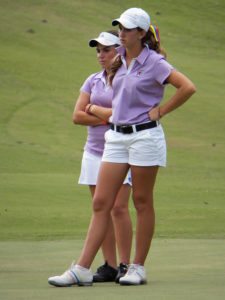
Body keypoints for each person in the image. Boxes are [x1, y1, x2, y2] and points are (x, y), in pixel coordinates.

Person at [48, 7, 196, 287]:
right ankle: (81, 268)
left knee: (141, 201)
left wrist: (161, 110)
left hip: (145, 138)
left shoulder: (154, 62)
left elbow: (187, 87)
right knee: (101, 202)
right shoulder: (118, 62)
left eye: (127, 29)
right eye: (120, 28)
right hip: (115, 138)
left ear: (141, 33)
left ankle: (137, 268)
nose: (122, 32)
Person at [48, 31, 133, 286]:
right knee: (101, 207)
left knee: (119, 207)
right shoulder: (92, 81)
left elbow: (123, 113)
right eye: (98, 50)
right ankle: (108, 265)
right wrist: (107, 116)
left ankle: (125, 265)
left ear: (119, 50)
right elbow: (76, 116)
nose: (101, 55)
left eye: (106, 50)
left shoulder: (127, 79)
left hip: (121, 152)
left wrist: (95, 110)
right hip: (94, 152)